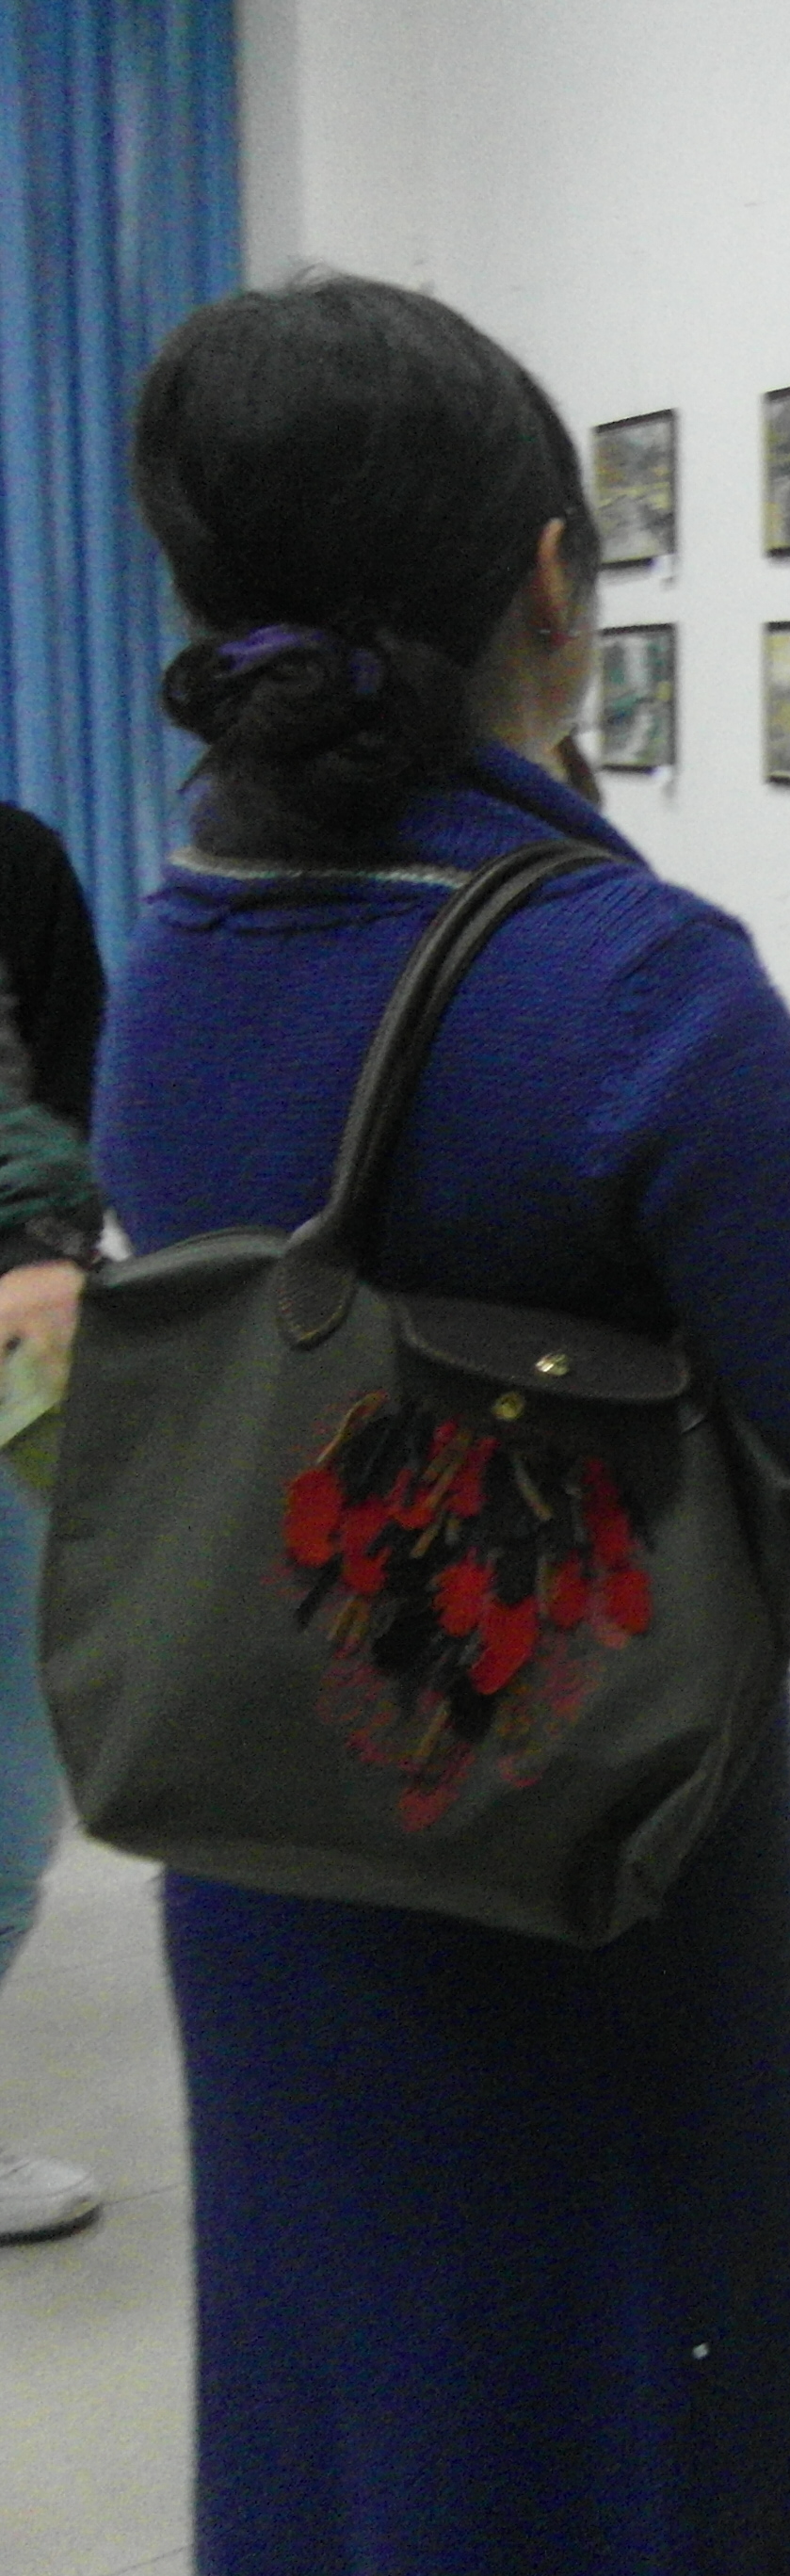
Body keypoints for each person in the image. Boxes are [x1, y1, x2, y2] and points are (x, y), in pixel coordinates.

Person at [105, 273, 790, 2573]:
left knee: (348, 2373)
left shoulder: (180, 936)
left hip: (273, 1790)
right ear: (549, 577)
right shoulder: (638, 974)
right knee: (618, 2389)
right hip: (572, 1833)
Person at [0, 800, 108, 2246]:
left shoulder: (15, 861)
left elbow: (72, 1082)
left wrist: (39, 1244)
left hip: (6, 1355)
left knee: (11, 1784)